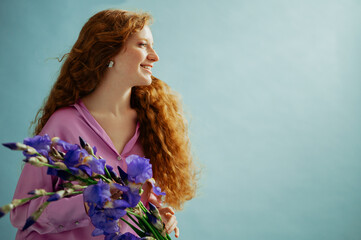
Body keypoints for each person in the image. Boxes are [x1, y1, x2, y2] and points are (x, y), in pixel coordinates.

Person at [10, 9, 198, 240]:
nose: (154, 56)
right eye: (142, 45)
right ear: (109, 52)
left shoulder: (153, 126)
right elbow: (21, 214)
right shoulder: (63, 124)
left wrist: (156, 217)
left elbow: (135, 206)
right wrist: (87, 204)